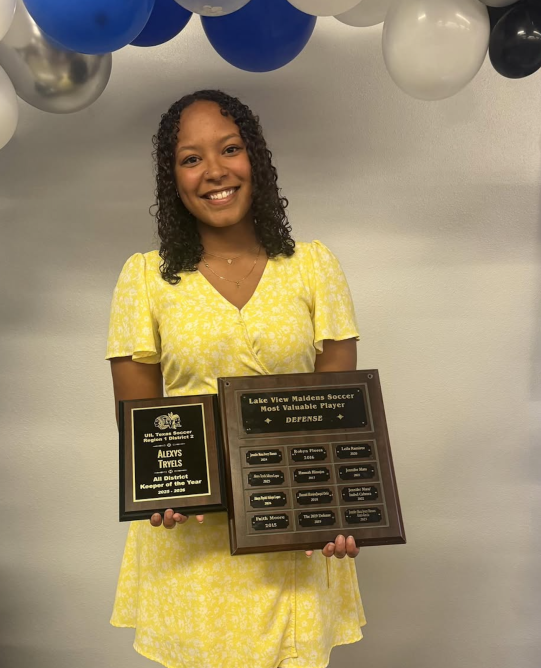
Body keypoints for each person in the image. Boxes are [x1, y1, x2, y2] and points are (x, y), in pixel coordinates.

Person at [106, 90, 365, 668]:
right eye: (190, 158)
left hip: (291, 535)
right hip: (192, 549)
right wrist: (160, 491)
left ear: (258, 162)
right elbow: (141, 427)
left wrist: (345, 505)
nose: (215, 172)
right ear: (171, 179)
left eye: (229, 150)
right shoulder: (145, 278)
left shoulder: (314, 266)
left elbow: (336, 417)